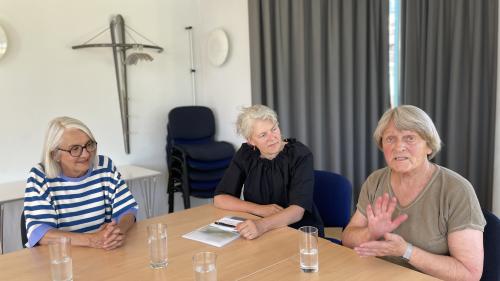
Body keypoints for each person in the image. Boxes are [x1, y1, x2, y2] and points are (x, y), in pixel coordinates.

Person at [342, 105, 485, 280]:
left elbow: (469, 274)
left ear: (429, 146)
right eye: (390, 139)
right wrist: (370, 233)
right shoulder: (375, 181)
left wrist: (406, 251)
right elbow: (347, 239)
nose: (399, 147)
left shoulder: (457, 190)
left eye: (410, 138)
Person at [23, 116, 138, 250]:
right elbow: (40, 233)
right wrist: (92, 240)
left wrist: (117, 232)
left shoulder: (104, 166)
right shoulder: (40, 176)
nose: (86, 154)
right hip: (62, 258)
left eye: (89, 145)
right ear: (55, 154)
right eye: (75, 149)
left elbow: (128, 209)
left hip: (105, 253)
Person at [213, 104, 323, 240]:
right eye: (263, 135)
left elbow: (297, 211)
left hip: (299, 232)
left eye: (274, 129)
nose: (273, 138)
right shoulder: (245, 155)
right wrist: (259, 209)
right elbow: (220, 199)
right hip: (260, 231)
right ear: (251, 141)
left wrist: (261, 225)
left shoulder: (300, 155)